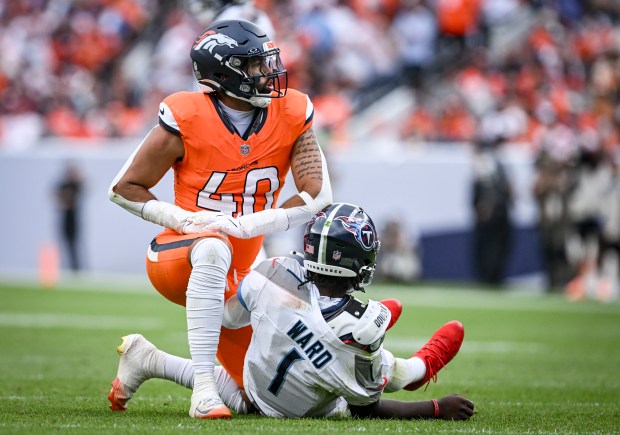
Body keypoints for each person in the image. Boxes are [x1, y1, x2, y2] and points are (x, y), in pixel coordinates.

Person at [108, 20, 333, 420]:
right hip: (180, 255)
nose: (268, 73)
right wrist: (185, 220)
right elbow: (123, 187)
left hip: (242, 271)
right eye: (255, 66)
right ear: (224, 71)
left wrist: (247, 226)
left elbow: (317, 196)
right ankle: (204, 394)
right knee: (213, 245)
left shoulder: (292, 110)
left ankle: (147, 360)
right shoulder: (187, 115)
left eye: (267, 62)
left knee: (257, 398)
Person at [108, 203, 474, 420]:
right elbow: (366, 407)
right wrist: (435, 408)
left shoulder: (274, 270)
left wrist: (288, 321)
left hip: (253, 380)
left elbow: (233, 319)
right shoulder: (360, 326)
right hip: (299, 400)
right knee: (396, 371)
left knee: (295, 342)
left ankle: (147, 359)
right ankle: (424, 363)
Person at [55, 163, 84, 272]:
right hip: (64, 218)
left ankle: (75, 268)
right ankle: (65, 267)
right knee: (64, 243)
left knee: (75, 244)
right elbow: (56, 199)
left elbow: (86, 184)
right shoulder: (62, 185)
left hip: (74, 218)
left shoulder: (75, 185)